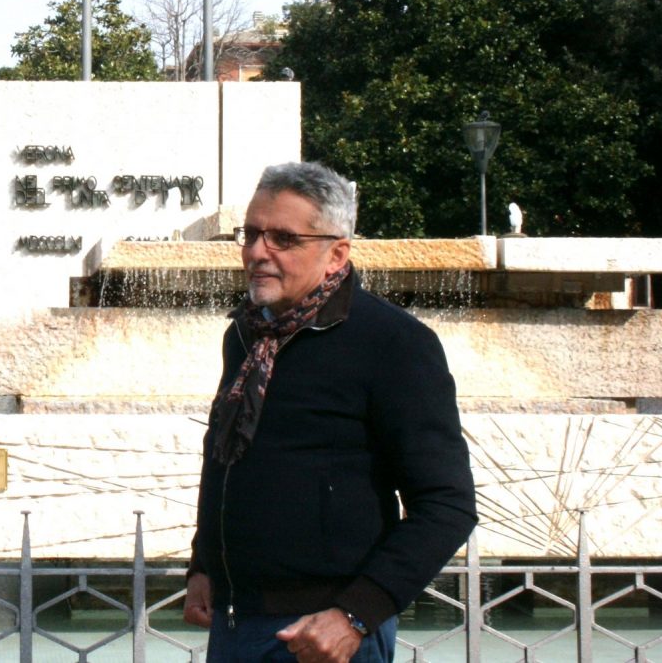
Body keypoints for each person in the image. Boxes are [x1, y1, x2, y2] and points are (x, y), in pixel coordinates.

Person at [183, 161, 476, 663]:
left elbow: (447, 503)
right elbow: (227, 458)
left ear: (337, 252)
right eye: (250, 234)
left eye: (283, 239)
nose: (257, 252)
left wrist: (357, 613)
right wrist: (203, 564)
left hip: (324, 634)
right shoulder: (246, 336)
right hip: (236, 621)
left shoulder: (392, 343)